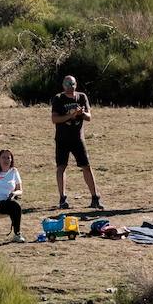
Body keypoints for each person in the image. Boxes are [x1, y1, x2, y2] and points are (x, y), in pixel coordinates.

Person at [51, 75, 100, 210]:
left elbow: (89, 117)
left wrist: (81, 114)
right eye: (67, 84)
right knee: (61, 167)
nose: (70, 87)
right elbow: (54, 119)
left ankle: (95, 197)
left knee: (86, 166)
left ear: (76, 84)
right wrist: (70, 115)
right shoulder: (58, 98)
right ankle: (62, 198)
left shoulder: (82, 97)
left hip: (78, 138)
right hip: (62, 139)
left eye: (72, 84)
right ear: (63, 85)